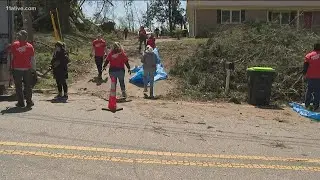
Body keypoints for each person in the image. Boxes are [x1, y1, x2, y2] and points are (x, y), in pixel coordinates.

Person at [9, 30, 35, 108]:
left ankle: (21, 103)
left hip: (17, 69)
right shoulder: (30, 46)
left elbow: (11, 57)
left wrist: (10, 67)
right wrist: (33, 68)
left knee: (18, 86)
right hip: (27, 69)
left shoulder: (14, 45)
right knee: (28, 86)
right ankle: (29, 102)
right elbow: (32, 59)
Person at [303, 43, 320, 111]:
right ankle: (316, 106)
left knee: (309, 90)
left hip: (311, 76)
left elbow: (305, 66)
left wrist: (304, 74)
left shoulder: (309, 55)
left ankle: (307, 105)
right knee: (318, 91)